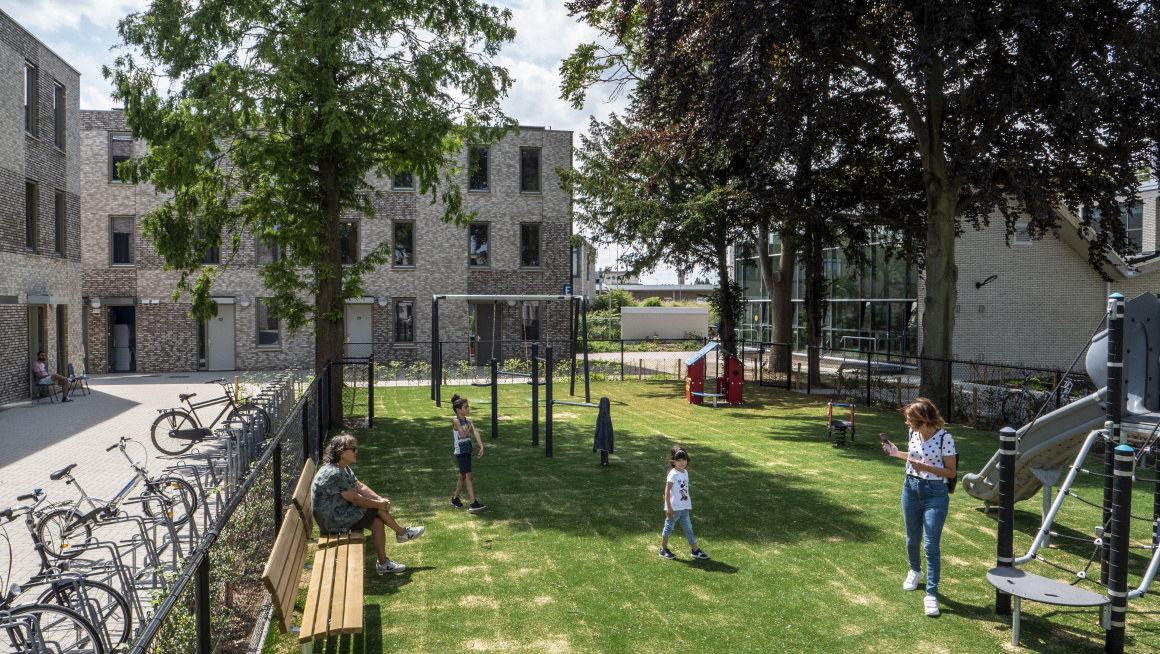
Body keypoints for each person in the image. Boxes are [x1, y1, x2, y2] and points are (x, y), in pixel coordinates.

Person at [881, 397, 957, 617]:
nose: (908, 423)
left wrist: (925, 467)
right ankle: (915, 571)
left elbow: (951, 472)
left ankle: (931, 594)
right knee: (912, 539)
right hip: (910, 488)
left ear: (923, 419)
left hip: (935, 494)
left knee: (931, 545)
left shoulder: (945, 438)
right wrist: (897, 454)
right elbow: (914, 458)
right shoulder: (913, 433)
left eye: (911, 419)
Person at [311, 434, 424, 574]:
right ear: (340, 451)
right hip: (332, 520)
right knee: (375, 510)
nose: (356, 451)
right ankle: (401, 532)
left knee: (377, 521)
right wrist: (378, 505)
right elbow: (355, 499)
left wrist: (378, 499)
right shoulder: (336, 473)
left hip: (338, 512)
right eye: (352, 449)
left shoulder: (342, 468)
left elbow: (359, 486)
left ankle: (383, 563)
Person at [659, 445, 709, 560]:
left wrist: (686, 505)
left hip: (684, 507)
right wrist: (669, 508)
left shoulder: (685, 472)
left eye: (684, 460)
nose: (682, 463)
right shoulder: (673, 474)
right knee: (668, 528)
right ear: (673, 462)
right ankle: (663, 550)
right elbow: (667, 491)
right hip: (674, 508)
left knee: (688, 529)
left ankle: (695, 550)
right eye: (679, 460)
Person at [449, 395, 485, 511]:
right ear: (459, 410)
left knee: (462, 476)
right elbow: (463, 436)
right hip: (461, 452)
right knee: (468, 476)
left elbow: (475, 433)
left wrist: (481, 446)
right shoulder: (456, 421)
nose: (469, 409)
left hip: (467, 450)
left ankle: (455, 499)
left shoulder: (468, 420)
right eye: (466, 407)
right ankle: (473, 503)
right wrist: (469, 427)